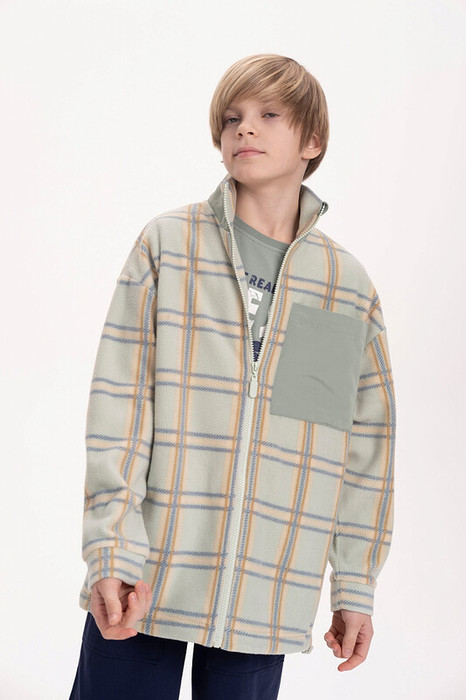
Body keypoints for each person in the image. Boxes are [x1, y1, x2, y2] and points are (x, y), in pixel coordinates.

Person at [69, 53, 396, 699]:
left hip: (267, 587)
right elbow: (121, 405)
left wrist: (354, 585)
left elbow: (360, 451)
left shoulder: (343, 288)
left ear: (312, 141)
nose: (245, 128)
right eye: (232, 118)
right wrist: (111, 548)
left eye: (269, 115)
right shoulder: (170, 246)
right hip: (147, 572)